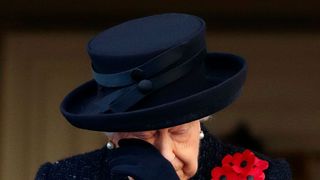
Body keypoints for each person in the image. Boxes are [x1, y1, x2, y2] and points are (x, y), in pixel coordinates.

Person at [35, 13, 291, 180]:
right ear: (113, 134)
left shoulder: (265, 175)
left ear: (201, 120)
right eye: (145, 135)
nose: (166, 154)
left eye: (179, 131)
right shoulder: (62, 177)